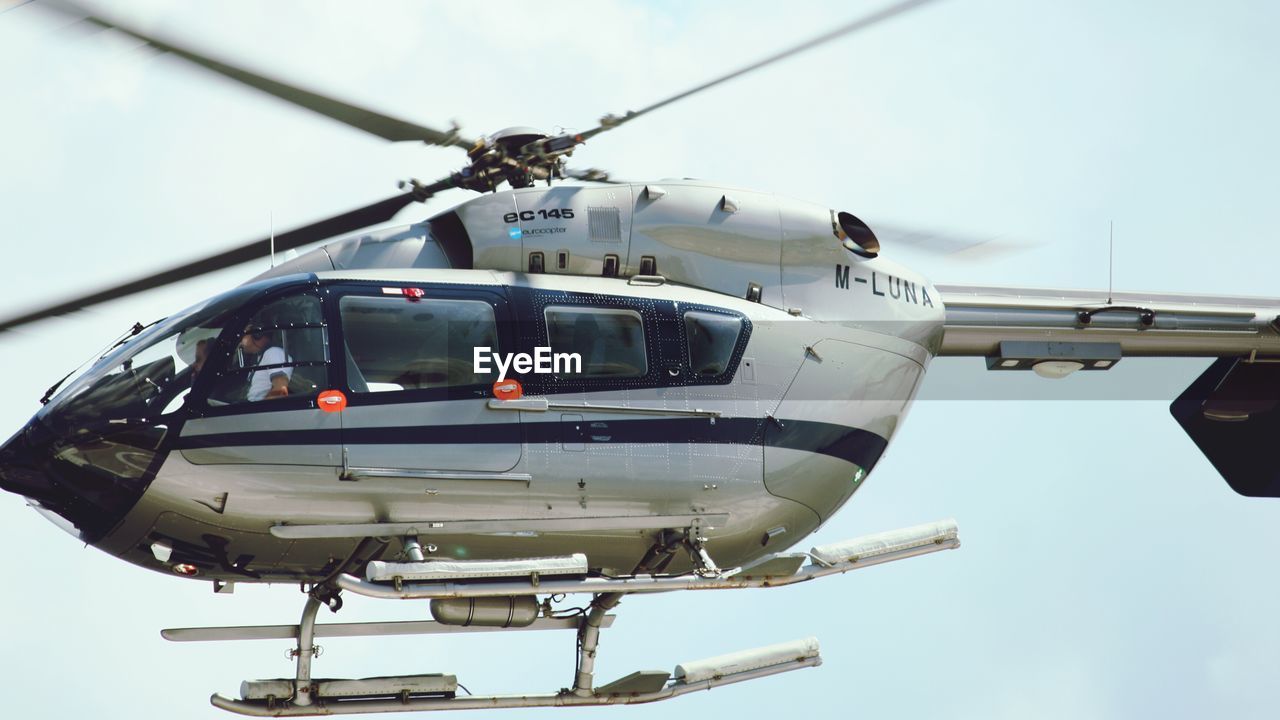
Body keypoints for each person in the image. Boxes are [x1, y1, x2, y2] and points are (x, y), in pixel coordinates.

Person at [239, 324, 292, 400]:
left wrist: (257, 410)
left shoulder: (273, 353)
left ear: (257, 335)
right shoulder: (260, 357)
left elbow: (280, 389)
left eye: (244, 334)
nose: (241, 340)